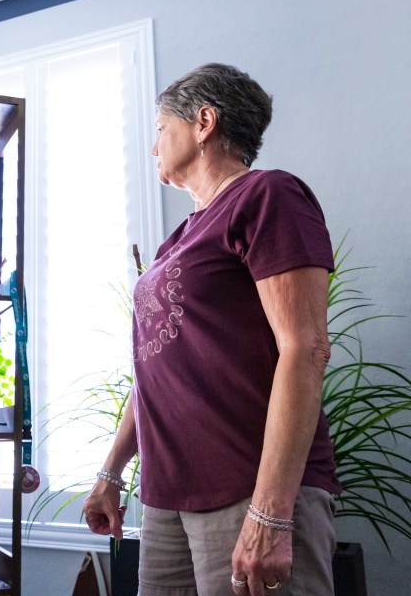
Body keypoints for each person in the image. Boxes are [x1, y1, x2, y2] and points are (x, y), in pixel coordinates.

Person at [82, 63, 340, 596]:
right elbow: (154, 369)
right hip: (167, 499)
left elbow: (306, 347)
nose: (154, 148)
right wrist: (111, 473)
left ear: (204, 123)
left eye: (160, 129)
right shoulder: (175, 241)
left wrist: (270, 512)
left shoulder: (268, 196)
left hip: (247, 488)